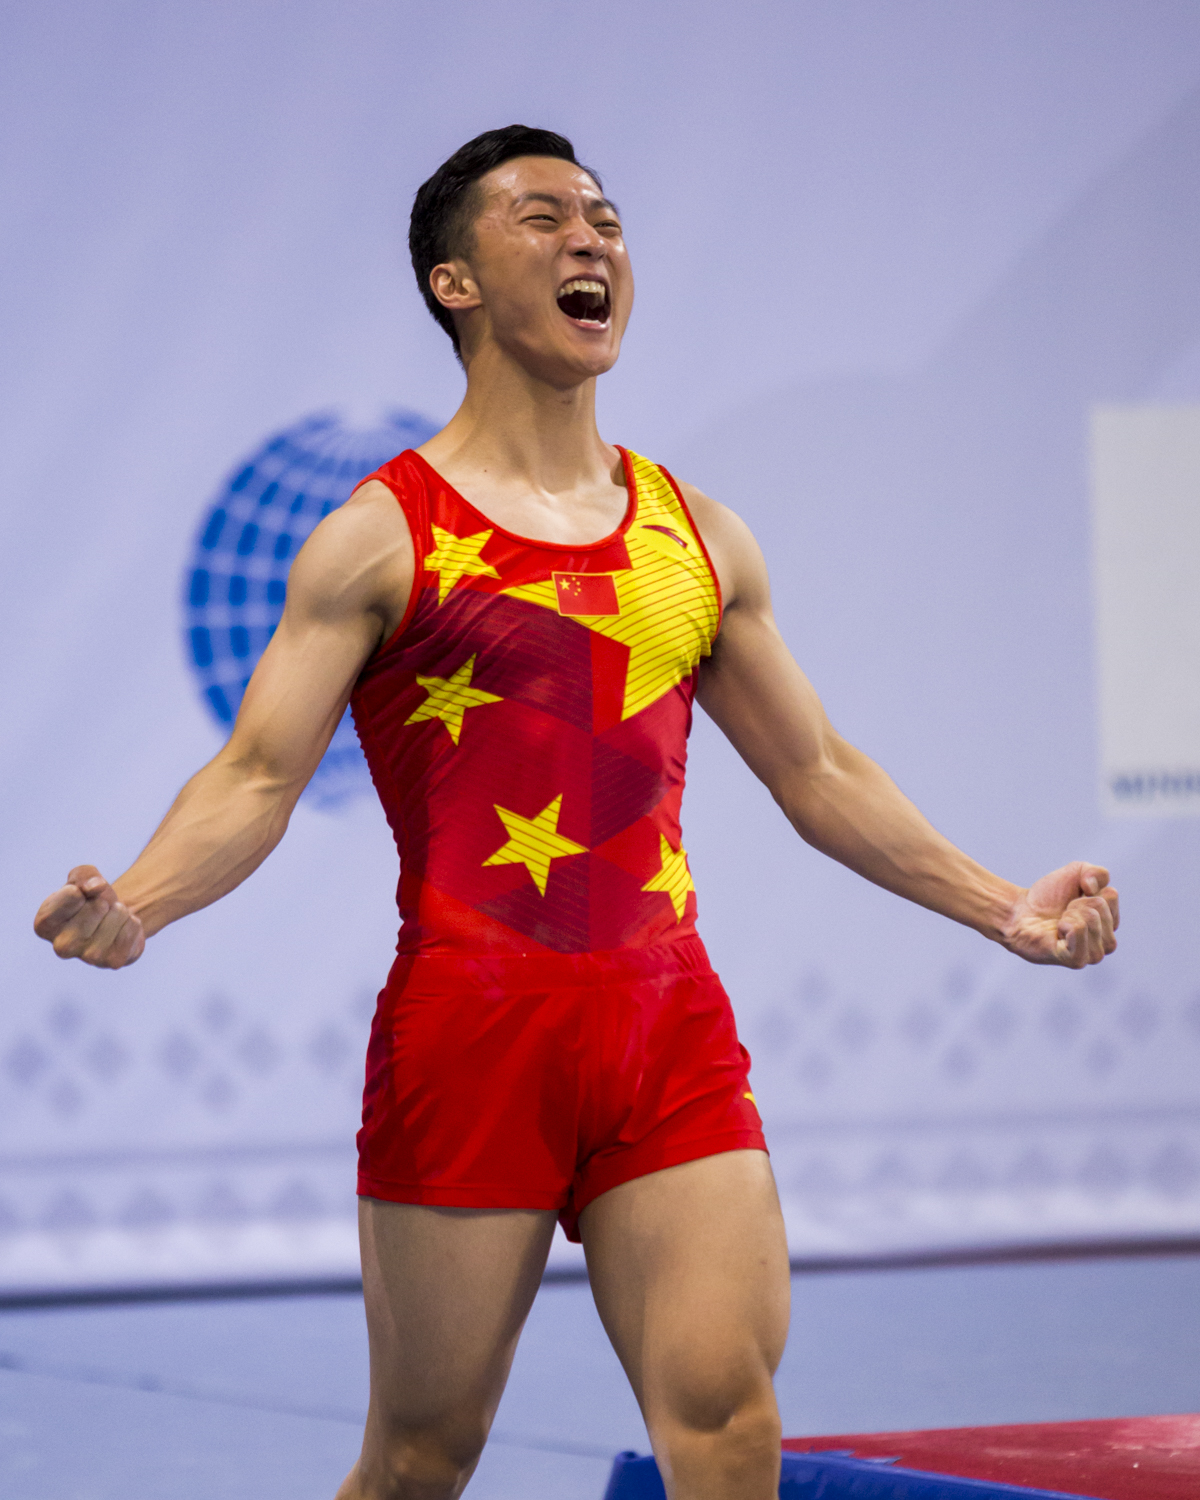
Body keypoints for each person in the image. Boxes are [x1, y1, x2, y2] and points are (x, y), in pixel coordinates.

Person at [33, 125, 1119, 1500]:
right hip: (469, 1041)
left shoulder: (694, 530)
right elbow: (256, 775)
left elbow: (818, 772)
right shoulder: (381, 536)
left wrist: (1003, 906)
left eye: (604, 218)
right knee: (424, 1458)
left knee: (727, 1423)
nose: (590, 240)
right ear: (456, 284)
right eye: (542, 218)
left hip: (664, 1031)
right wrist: (141, 902)